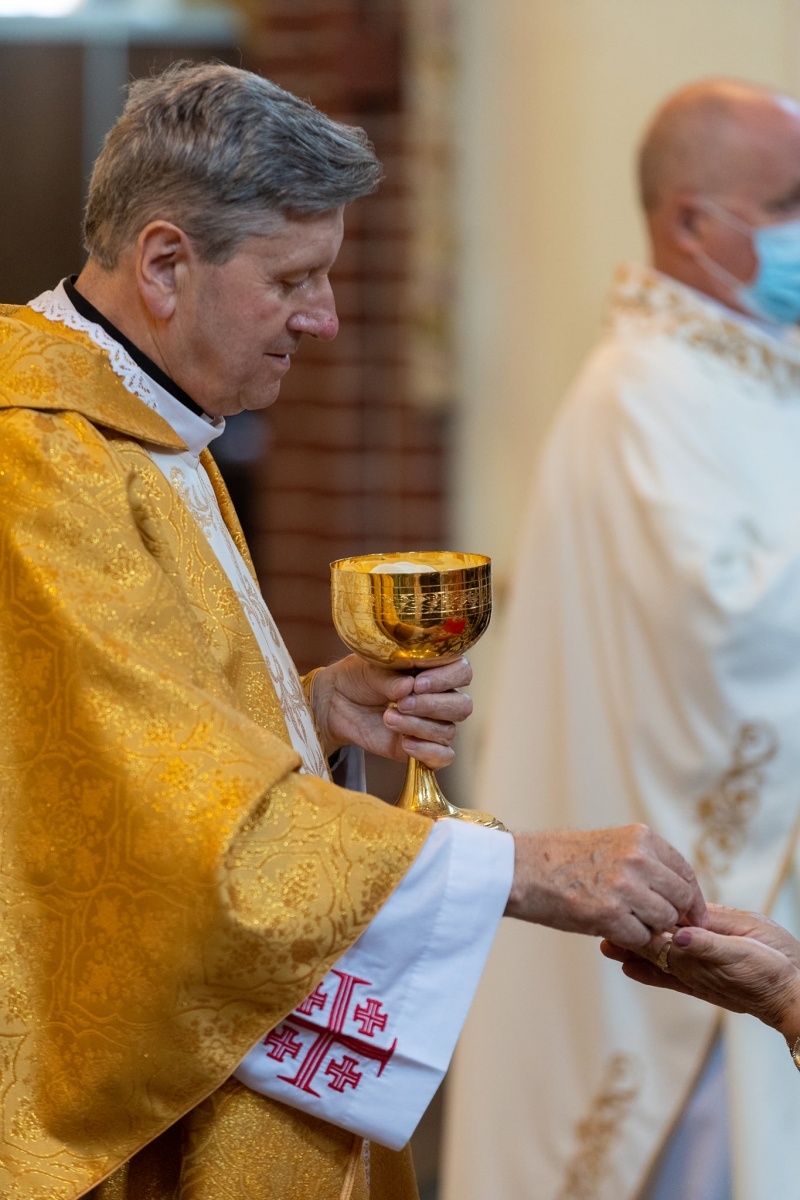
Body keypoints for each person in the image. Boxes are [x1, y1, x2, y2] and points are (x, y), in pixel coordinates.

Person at [0, 62, 705, 1200]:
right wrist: (518, 870)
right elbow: (166, 843)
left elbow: (127, 745)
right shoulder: (42, 459)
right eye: (295, 280)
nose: (323, 321)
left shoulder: (140, 421)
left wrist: (313, 711)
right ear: (167, 263)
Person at [441, 78, 800, 1200]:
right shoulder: (640, 392)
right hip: (700, 925)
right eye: (787, 202)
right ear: (692, 223)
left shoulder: (749, 374)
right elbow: (734, 632)